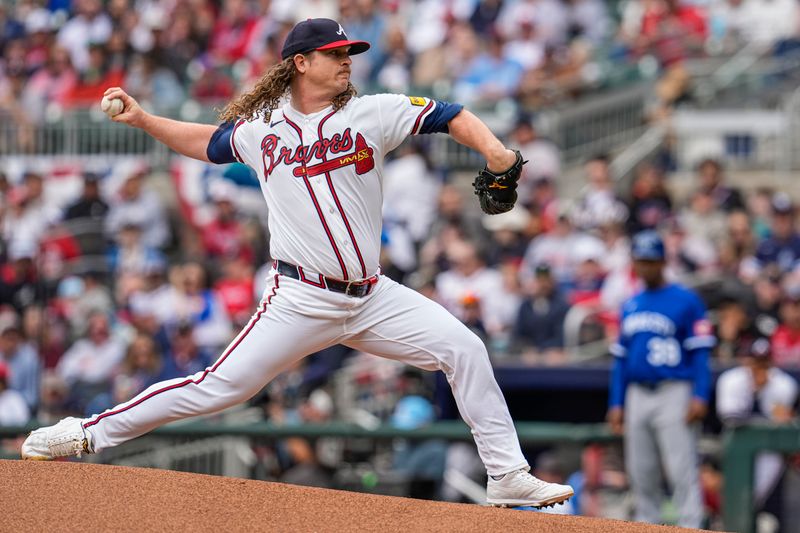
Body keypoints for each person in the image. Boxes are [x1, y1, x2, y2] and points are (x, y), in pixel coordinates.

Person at [21, 18, 573, 509]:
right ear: (301, 63)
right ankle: (88, 432)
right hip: (301, 298)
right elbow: (207, 142)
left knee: (465, 348)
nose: (346, 61)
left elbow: (452, 115)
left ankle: (506, 475)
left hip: (372, 295)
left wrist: (499, 156)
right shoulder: (264, 131)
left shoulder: (370, 112)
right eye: (335, 53)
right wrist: (144, 120)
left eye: (348, 53)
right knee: (219, 387)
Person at [606, 230, 714, 528]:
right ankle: (646, 525)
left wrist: (700, 394)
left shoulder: (686, 300)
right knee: (640, 471)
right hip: (637, 393)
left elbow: (701, 353)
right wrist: (616, 401)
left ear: (663, 261)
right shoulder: (631, 303)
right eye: (640, 261)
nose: (645, 267)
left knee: (682, 468)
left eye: (651, 261)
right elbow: (620, 361)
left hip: (674, 390)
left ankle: (691, 525)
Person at [716, 337, 797, 518]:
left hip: (769, 449)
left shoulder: (784, 384)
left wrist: (764, 390)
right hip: (732, 444)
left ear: (771, 362)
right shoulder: (730, 380)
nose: (758, 368)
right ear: (745, 360)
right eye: (754, 362)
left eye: (764, 363)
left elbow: (781, 424)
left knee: (767, 470)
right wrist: (754, 390)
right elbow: (730, 419)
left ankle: (741, 517)